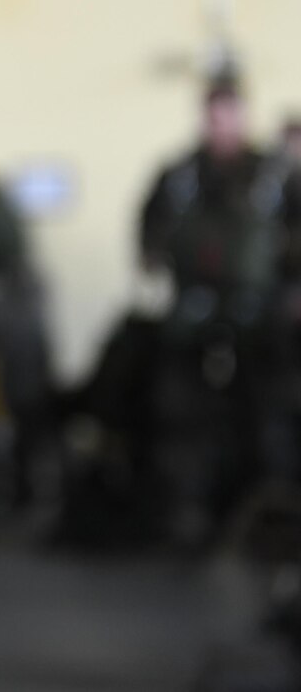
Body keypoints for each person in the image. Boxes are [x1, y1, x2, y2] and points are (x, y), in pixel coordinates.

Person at [137, 75, 295, 544]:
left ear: (244, 115)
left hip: (264, 320)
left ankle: (272, 514)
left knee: (270, 417)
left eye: (229, 113)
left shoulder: (277, 175)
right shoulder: (180, 175)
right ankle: (190, 513)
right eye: (213, 114)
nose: (221, 124)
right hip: (193, 317)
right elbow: (148, 234)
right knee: (184, 418)